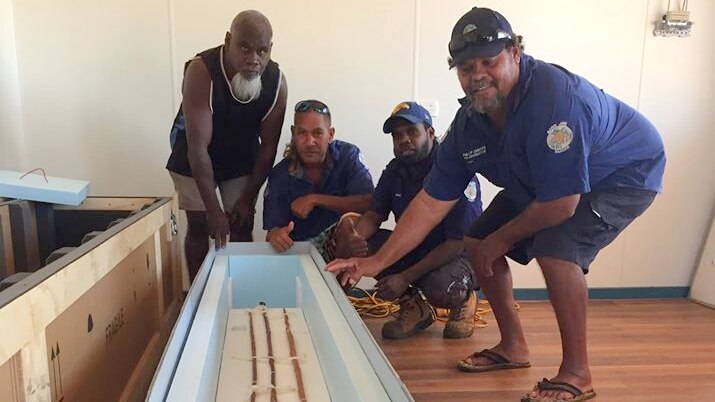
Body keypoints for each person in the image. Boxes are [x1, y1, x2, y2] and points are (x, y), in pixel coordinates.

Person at [327, 7, 665, 402]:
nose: (478, 74)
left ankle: (577, 373)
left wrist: (499, 242)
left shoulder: (553, 99)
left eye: (490, 61)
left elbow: (560, 204)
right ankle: (513, 347)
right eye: (467, 67)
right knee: (476, 240)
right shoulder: (468, 125)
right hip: (546, 182)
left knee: (555, 249)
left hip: (622, 173)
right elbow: (430, 203)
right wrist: (373, 263)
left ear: (516, 52)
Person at [336, 101, 482, 339]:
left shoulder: (455, 170)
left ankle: (463, 299)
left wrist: (404, 277)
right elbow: (374, 215)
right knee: (361, 243)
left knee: (440, 287)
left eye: (412, 132)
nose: (404, 139)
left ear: (430, 133)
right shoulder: (395, 169)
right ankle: (416, 308)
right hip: (415, 248)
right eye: (397, 135)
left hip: (456, 255)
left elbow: (457, 243)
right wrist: (353, 242)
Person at [165, 10, 287, 281]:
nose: (253, 60)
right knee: (200, 224)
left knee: (240, 222)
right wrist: (212, 209)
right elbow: (197, 149)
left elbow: (268, 148)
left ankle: (241, 293)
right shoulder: (201, 71)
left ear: (270, 50)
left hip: (240, 158)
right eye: (244, 47)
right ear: (228, 40)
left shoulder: (277, 83)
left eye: (262, 51)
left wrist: (248, 198)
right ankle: (197, 297)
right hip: (193, 158)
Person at [263, 99, 373, 253]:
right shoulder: (280, 174)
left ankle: (340, 276)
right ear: (293, 133)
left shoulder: (348, 156)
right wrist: (276, 236)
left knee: (349, 223)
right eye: (302, 133)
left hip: (340, 249)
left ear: (330, 134)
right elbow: (272, 232)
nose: (310, 142)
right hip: (299, 252)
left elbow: (369, 202)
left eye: (317, 133)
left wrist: (314, 199)